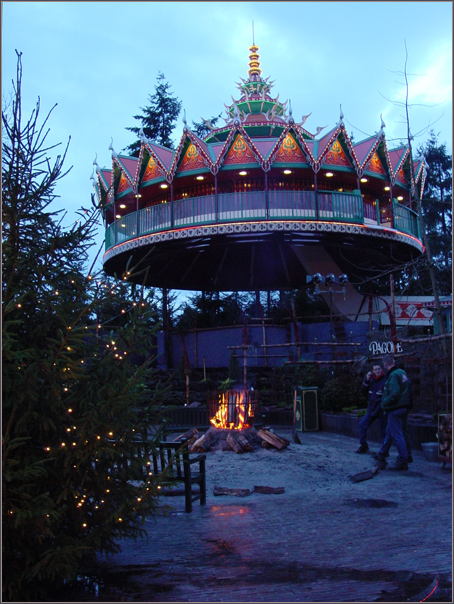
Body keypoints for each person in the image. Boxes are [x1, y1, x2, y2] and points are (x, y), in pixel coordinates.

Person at [375, 354, 411, 471]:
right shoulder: (402, 373)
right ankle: (382, 453)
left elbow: (394, 393)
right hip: (403, 407)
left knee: (396, 435)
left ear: (385, 365)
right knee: (390, 432)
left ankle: (403, 460)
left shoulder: (393, 375)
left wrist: (385, 402)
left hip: (395, 408)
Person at [355, 363, 387, 454]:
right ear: (372, 371)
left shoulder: (385, 380)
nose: (377, 371)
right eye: (375, 369)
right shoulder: (372, 380)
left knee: (383, 431)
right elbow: (363, 391)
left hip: (380, 409)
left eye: (379, 369)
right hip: (372, 408)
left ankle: (384, 451)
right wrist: (366, 380)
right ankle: (363, 446)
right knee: (362, 425)